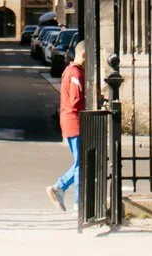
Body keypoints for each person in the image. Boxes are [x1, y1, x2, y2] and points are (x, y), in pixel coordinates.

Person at [47, 40, 86, 211]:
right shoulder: (75, 73)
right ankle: (76, 200)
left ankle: (60, 188)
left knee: (81, 161)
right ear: (84, 54)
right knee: (81, 162)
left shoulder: (69, 71)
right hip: (75, 121)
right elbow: (76, 100)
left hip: (69, 121)